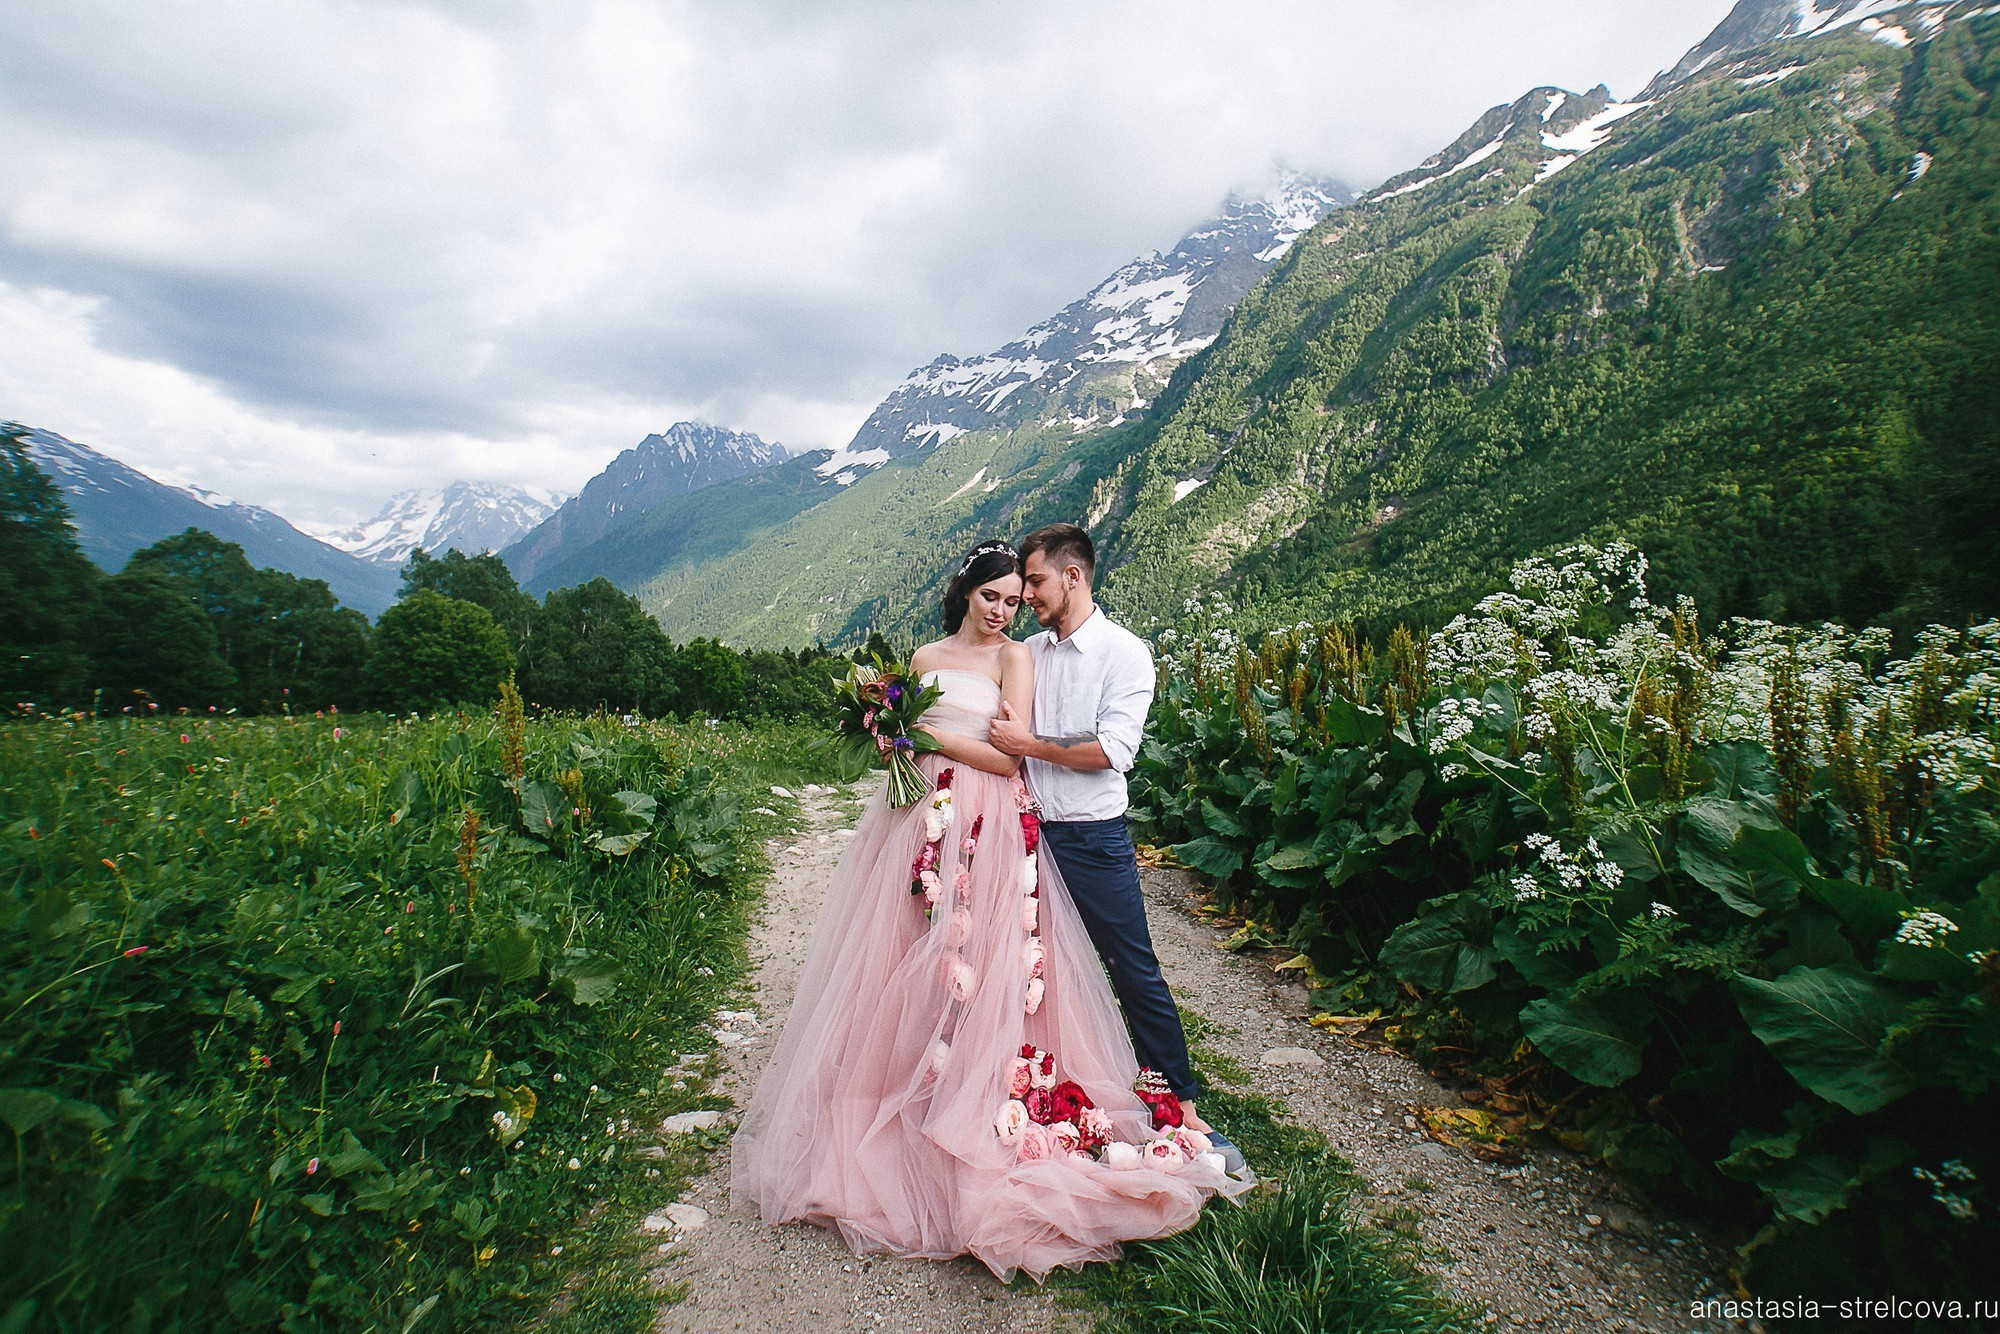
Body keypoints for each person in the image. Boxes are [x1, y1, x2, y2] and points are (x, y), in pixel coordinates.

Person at [730, 540, 1248, 1282]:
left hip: (1039, 823)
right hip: (922, 818)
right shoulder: (938, 654)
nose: (1012, 606)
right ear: (966, 593)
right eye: (998, 595)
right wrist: (888, 735)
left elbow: (1027, 756)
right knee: (906, 951)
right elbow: (904, 748)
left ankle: (1182, 1100)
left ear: (1070, 577)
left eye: (1024, 591)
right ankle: (904, 1084)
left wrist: (928, 733)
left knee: (1095, 962)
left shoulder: (1071, 656)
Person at [988, 523, 1244, 1174]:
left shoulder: (1125, 655)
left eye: (1037, 582)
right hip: (1028, 835)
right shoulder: (1029, 655)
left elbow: (1112, 753)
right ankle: (1028, 1088)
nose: (1027, 596)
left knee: (1131, 970)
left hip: (1092, 840)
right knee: (1021, 970)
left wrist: (1032, 747)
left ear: (1073, 576)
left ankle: (1182, 1104)